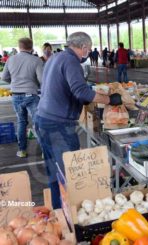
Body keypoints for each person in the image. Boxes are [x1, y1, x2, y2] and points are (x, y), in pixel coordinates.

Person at [35, 32, 117, 209]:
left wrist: (84, 97)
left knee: (54, 171)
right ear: (85, 47)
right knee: (68, 174)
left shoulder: (55, 57)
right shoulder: (71, 61)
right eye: (87, 49)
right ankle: (70, 216)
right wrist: (110, 100)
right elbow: (81, 91)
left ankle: (59, 211)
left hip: (43, 118)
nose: (87, 52)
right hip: (59, 124)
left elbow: (62, 87)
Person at [1, 38, 43, 158]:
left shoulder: (10, 59)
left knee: (21, 122)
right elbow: (42, 80)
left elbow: (4, 77)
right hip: (30, 95)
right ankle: (45, 151)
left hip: (15, 95)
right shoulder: (36, 60)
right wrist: (35, 85)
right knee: (38, 123)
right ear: (31, 47)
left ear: (19, 47)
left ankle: (22, 150)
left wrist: (14, 82)